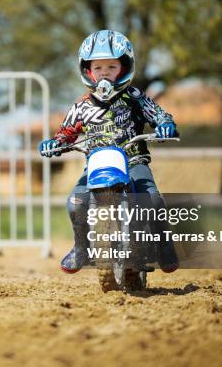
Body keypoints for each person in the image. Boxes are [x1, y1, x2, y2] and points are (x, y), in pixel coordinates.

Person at [39, 29, 179, 274]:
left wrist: (165, 125)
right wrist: (55, 142)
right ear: (88, 71)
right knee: (75, 203)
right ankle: (81, 247)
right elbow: (66, 132)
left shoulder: (134, 96)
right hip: (97, 166)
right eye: (99, 68)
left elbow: (158, 114)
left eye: (111, 68)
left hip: (133, 160)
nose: (105, 75)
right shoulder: (82, 105)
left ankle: (163, 243)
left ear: (124, 68)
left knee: (153, 200)